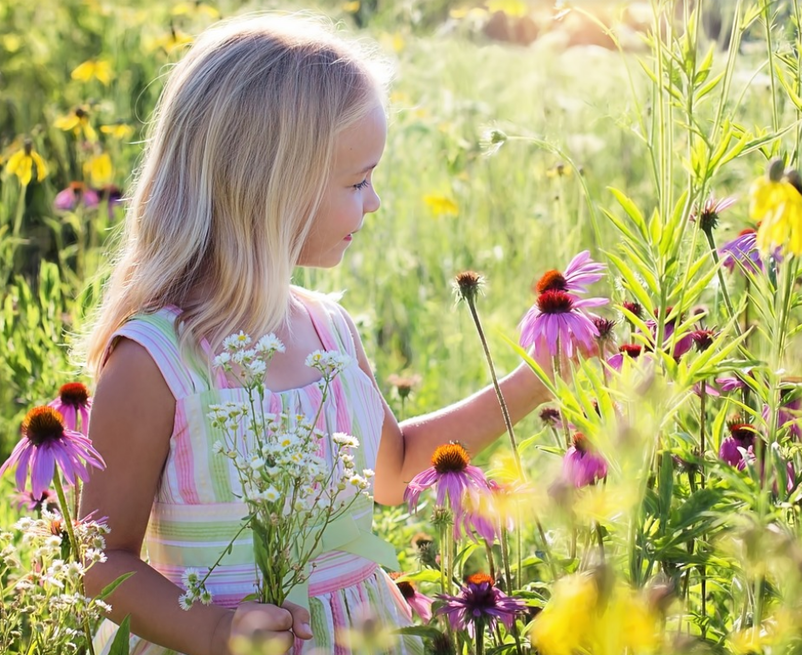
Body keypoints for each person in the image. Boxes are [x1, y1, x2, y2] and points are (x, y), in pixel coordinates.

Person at [77, 12, 555, 655]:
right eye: (358, 181)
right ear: (271, 190)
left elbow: (397, 472)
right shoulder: (157, 362)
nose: (376, 202)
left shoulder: (329, 329)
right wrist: (215, 630)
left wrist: (540, 376)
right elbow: (100, 560)